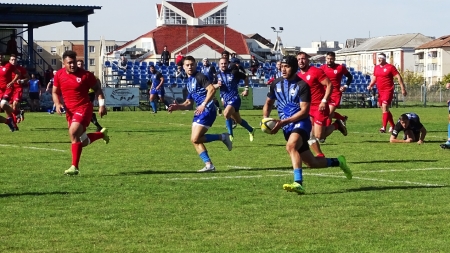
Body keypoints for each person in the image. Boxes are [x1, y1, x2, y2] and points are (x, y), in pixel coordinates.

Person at [263, 56, 352, 194]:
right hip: (287, 127)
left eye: (287, 66)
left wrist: (282, 122)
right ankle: (339, 162)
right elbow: (268, 103)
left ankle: (298, 183)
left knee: (291, 146)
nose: (283, 69)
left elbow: (304, 112)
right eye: (282, 66)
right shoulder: (276, 84)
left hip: (301, 123)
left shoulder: (302, 85)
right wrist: (265, 119)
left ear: (293, 68)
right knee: (312, 163)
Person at [168, 55, 232, 172]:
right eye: (187, 65)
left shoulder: (200, 76)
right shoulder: (189, 82)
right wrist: (178, 106)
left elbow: (212, 89)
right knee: (194, 140)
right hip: (199, 111)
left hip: (207, 110)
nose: (190, 67)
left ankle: (222, 138)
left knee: (195, 138)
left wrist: (203, 104)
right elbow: (188, 103)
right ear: (183, 67)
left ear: (195, 65)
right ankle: (209, 164)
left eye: (192, 64)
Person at [53, 50, 109, 175]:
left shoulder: (86, 75)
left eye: (74, 62)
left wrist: (102, 105)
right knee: (82, 142)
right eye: (69, 63)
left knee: (73, 132)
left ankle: (74, 167)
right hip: (69, 111)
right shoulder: (59, 75)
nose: (72, 65)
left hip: (83, 108)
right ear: (64, 63)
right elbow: (55, 92)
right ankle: (101, 135)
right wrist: (57, 103)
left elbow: (97, 89)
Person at [296, 52, 347, 158]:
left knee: (319, 136)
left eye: (303, 58)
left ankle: (337, 124)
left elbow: (329, 85)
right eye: (299, 59)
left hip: (319, 106)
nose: (301, 61)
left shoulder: (315, 71)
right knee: (310, 135)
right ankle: (320, 155)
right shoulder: (298, 76)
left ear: (308, 60)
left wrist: (324, 100)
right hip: (307, 108)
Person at [216, 57, 255, 141]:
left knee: (226, 114)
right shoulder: (217, 75)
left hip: (235, 98)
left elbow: (245, 78)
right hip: (225, 100)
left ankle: (230, 136)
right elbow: (212, 86)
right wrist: (217, 85)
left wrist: (246, 89)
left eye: (225, 63)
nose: (223, 65)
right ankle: (251, 130)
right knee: (238, 120)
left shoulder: (234, 72)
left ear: (228, 64)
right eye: (222, 64)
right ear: (219, 65)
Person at [368, 53, 407, 133]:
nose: (379, 59)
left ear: (385, 59)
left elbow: (398, 77)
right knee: (383, 109)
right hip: (380, 91)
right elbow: (375, 77)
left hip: (388, 90)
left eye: (381, 58)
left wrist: (403, 88)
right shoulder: (376, 68)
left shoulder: (390, 67)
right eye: (378, 58)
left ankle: (383, 127)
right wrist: (370, 85)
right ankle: (393, 126)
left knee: (385, 106)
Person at [320, 52, 353, 127]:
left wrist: (345, 86)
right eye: (328, 58)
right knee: (326, 113)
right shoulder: (322, 68)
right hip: (325, 94)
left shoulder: (340, 67)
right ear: (326, 58)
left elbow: (350, 77)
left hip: (335, 93)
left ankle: (326, 130)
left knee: (329, 114)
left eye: (331, 59)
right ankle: (342, 118)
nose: (329, 60)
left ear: (334, 59)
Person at [77, 59, 103, 132]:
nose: (80, 66)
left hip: (89, 94)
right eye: (79, 64)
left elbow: (97, 80)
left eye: (81, 64)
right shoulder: (76, 74)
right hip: (81, 95)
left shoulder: (87, 74)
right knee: (83, 111)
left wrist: (98, 90)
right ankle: (97, 124)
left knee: (83, 110)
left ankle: (95, 125)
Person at [0, 54, 20, 131]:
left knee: (3, 104)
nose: (0, 59)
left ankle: (16, 112)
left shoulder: (8, 65)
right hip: (0, 90)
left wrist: (12, 82)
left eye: (1, 57)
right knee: (5, 107)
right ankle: (8, 121)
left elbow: (18, 73)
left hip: (7, 89)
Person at [8, 54, 29, 123]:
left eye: (15, 60)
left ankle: (17, 117)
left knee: (15, 105)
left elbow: (27, 78)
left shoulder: (21, 69)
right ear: (9, 61)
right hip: (9, 90)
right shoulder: (6, 68)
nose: (13, 61)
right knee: (11, 108)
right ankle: (19, 113)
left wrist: (22, 81)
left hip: (18, 88)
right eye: (12, 60)